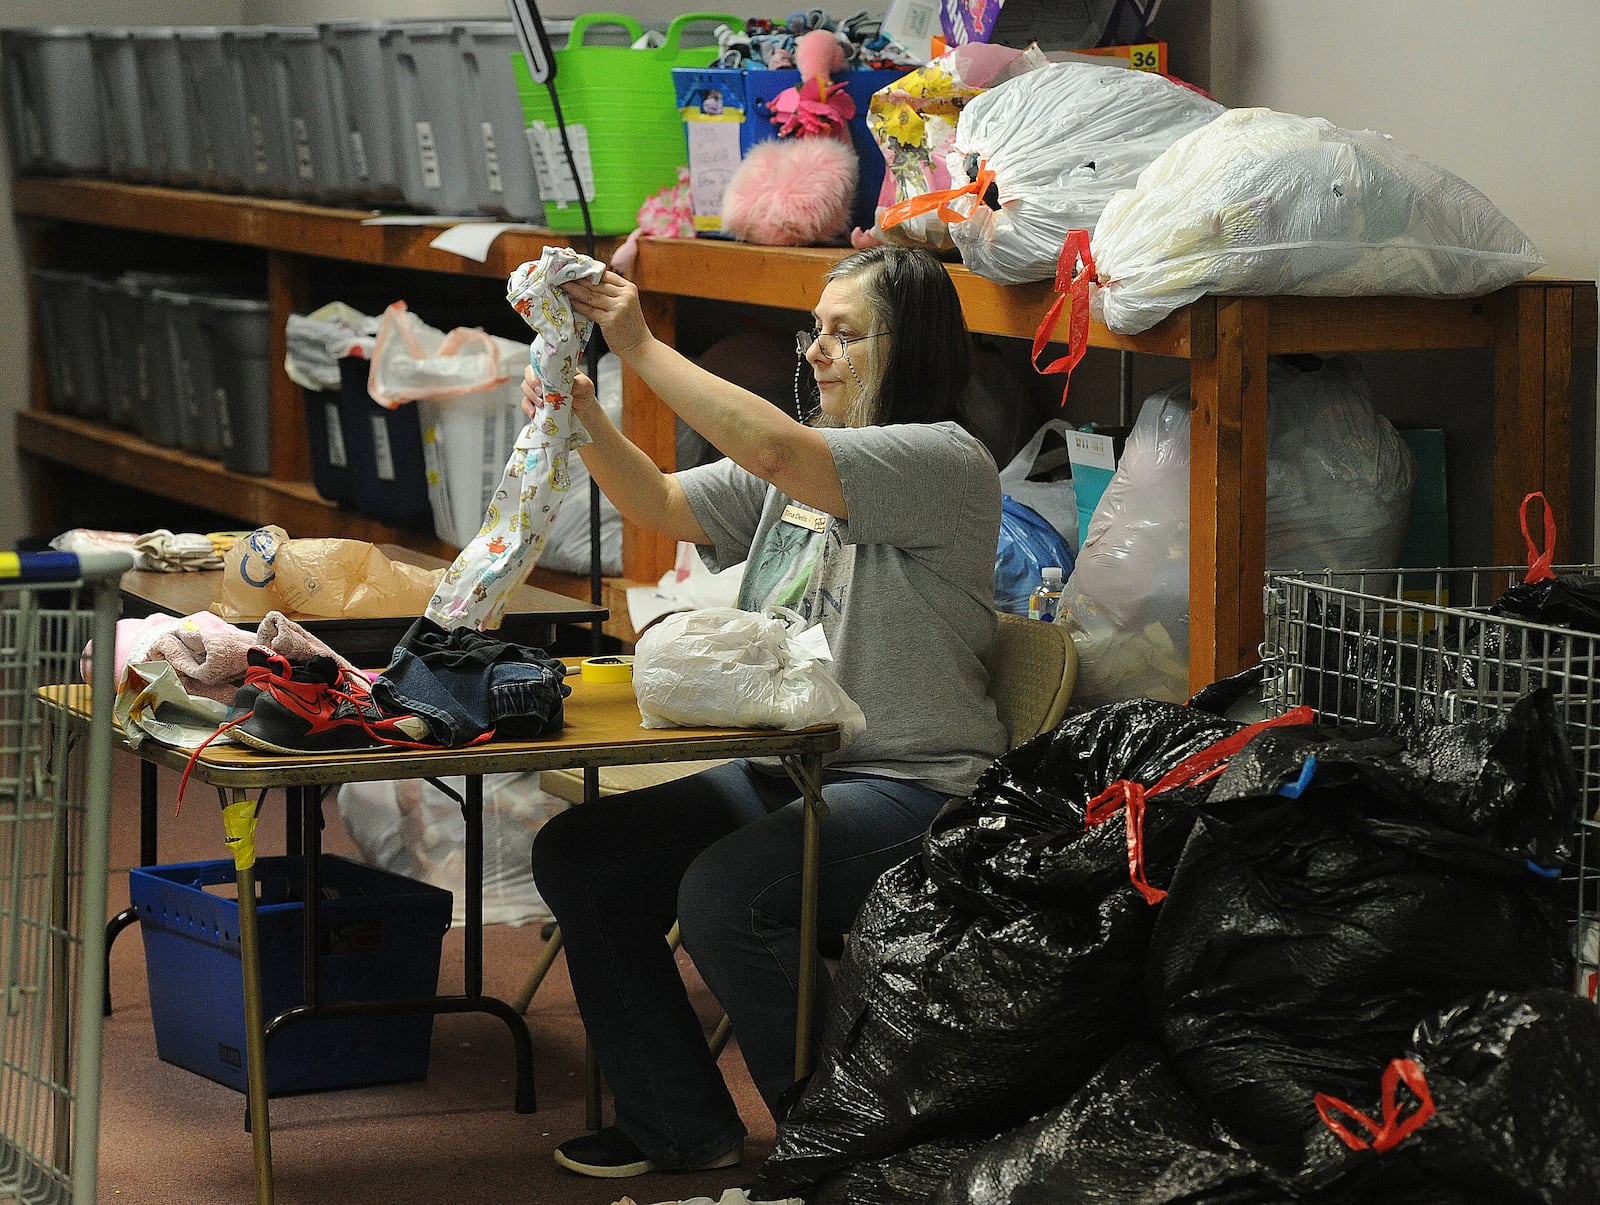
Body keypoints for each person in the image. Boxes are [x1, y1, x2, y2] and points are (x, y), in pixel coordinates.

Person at [526, 244, 1009, 1179]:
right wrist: (580, 411)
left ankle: (843, 1142)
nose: (818, 353)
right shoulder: (803, 470)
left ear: (908, 349)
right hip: (794, 770)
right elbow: (662, 500)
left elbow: (775, 449)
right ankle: (679, 1125)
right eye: (814, 331)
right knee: (581, 854)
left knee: (728, 891)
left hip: (914, 787)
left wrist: (638, 343)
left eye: (845, 334)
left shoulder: (943, 460)